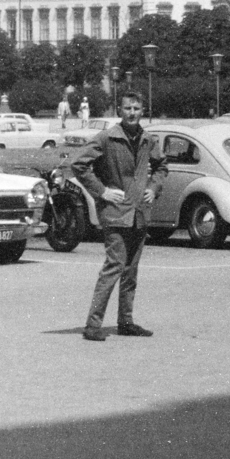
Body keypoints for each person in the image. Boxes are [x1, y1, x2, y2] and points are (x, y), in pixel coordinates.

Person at [70, 92, 166, 341]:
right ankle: (93, 325)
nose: (132, 113)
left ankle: (126, 321)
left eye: (136, 108)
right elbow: (78, 164)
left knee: (131, 270)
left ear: (143, 110)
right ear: (119, 111)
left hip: (139, 213)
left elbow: (161, 166)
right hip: (115, 214)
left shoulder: (148, 139)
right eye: (127, 108)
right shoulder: (107, 137)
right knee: (114, 267)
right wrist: (102, 191)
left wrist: (153, 189)